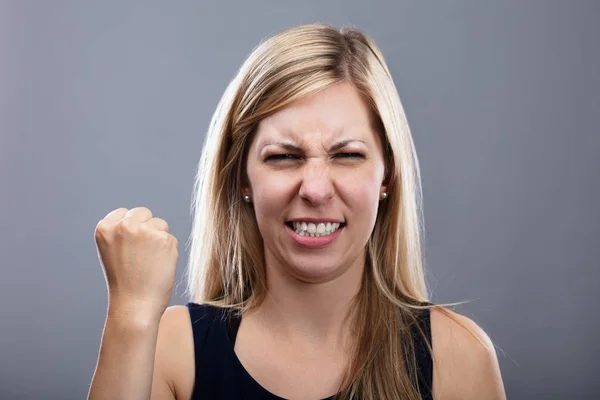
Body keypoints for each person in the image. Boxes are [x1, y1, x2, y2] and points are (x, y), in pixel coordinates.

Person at [88, 23, 506, 400]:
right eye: (284, 156)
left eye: (346, 155)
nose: (317, 189)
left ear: (387, 177)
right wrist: (130, 315)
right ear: (241, 179)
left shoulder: (456, 356)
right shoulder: (173, 350)